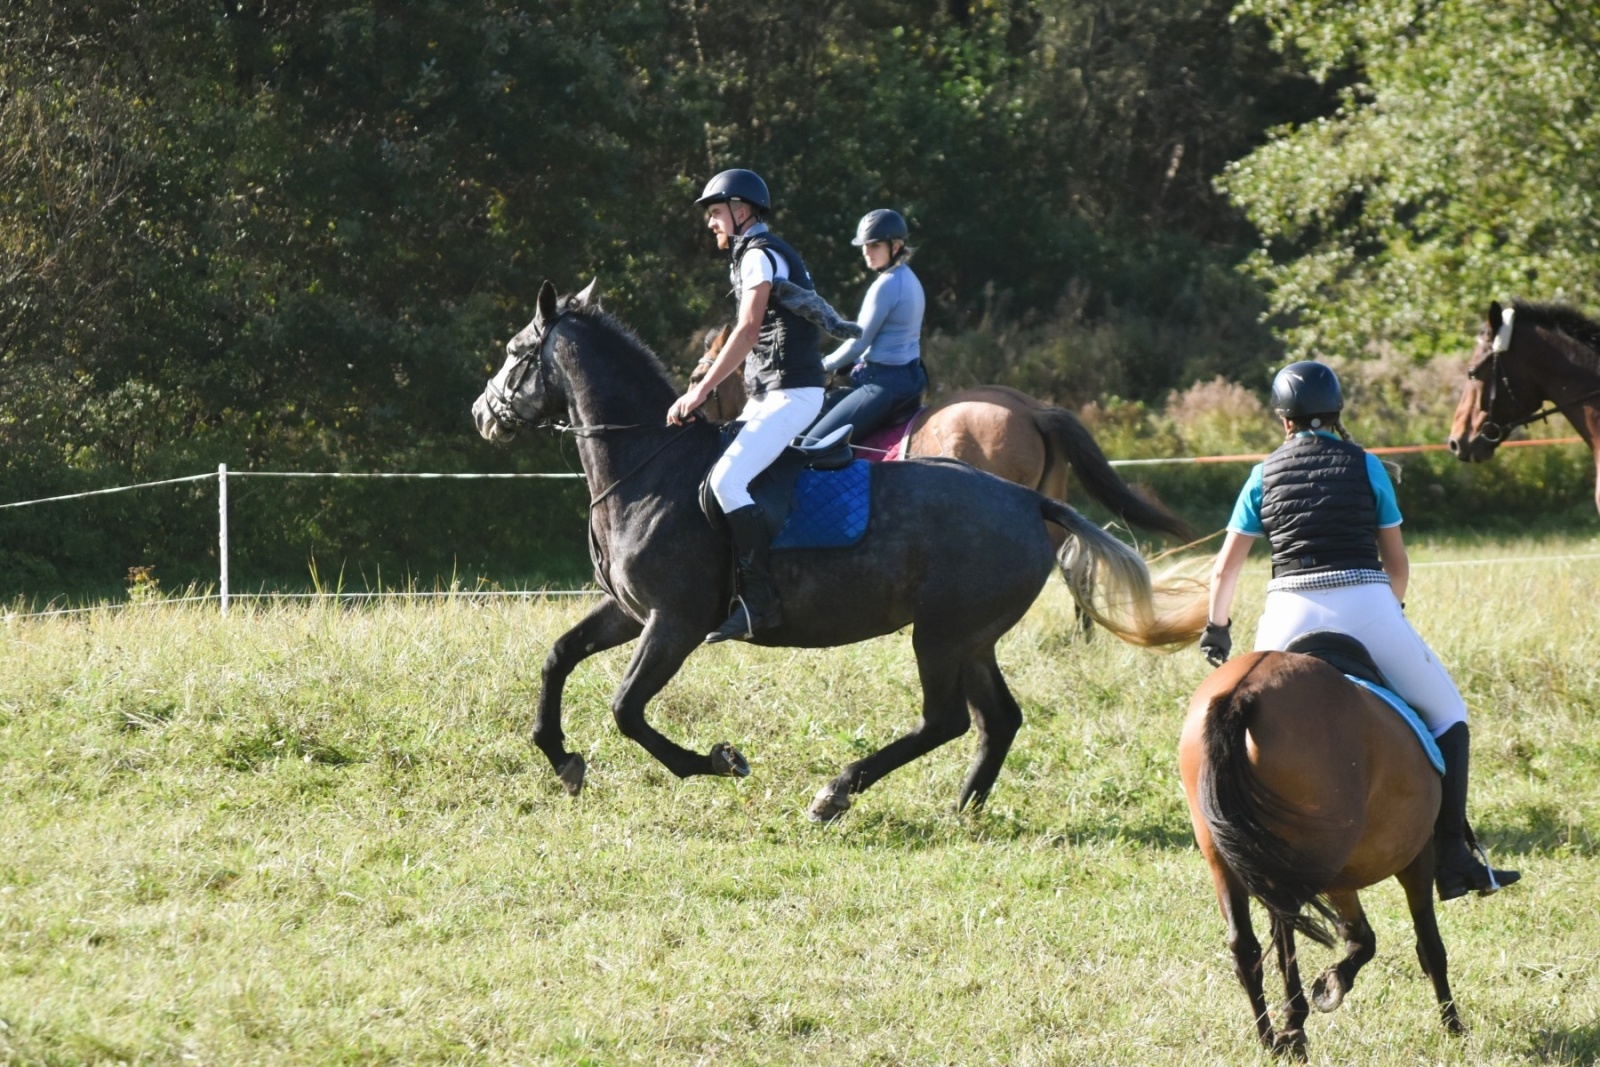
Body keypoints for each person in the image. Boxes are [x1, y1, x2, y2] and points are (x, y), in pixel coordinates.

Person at [1201, 360, 1521, 903]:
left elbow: (1224, 569)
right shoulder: (1367, 466)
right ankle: (1452, 857)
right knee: (1449, 713)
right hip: (1365, 601)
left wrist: (1217, 628)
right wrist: (1390, 610)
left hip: (1288, 612)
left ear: (1284, 420)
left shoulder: (1261, 474)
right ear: (1336, 412)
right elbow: (1397, 565)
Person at [667, 168, 827, 643]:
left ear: (742, 211)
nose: (711, 223)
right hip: (769, 394)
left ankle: (762, 602)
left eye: (716, 213)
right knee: (715, 476)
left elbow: (748, 330)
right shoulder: (753, 255)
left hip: (793, 394)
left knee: (727, 480)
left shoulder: (758, 256)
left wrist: (698, 393)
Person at [805, 209, 927, 445]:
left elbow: (859, 341)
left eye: (875, 245)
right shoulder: (908, 277)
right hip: (910, 377)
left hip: (884, 383)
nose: (866, 251)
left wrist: (825, 365)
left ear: (896, 246)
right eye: (864, 245)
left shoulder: (887, 284)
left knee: (812, 444)